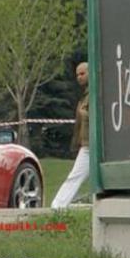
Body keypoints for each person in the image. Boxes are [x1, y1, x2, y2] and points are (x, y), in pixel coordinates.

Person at [51, 62, 89, 208]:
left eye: (82, 74)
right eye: (77, 75)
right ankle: (58, 206)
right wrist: (76, 143)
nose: (79, 77)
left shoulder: (93, 95)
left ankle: (58, 206)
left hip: (94, 146)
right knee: (75, 176)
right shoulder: (84, 97)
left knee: (75, 176)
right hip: (87, 145)